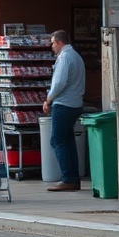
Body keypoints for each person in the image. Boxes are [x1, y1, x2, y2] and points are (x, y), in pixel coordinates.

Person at [42, 29, 86, 192]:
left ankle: (68, 178)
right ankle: (73, 178)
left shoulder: (65, 57)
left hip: (64, 104)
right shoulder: (76, 56)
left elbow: (59, 82)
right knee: (68, 141)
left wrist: (48, 99)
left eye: (53, 43)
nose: (52, 46)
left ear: (60, 43)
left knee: (57, 140)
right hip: (75, 104)